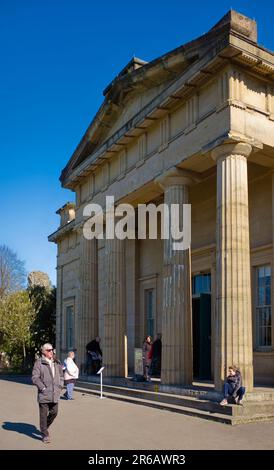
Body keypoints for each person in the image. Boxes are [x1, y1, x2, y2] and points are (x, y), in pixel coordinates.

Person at [32, 343, 64, 443]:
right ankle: (45, 434)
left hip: (55, 393)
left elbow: (61, 376)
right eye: (49, 350)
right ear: (44, 352)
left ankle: (44, 427)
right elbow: (35, 377)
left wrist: (60, 386)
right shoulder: (39, 363)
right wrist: (43, 388)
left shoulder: (57, 362)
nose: (52, 352)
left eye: (52, 350)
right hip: (44, 394)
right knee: (43, 415)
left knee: (54, 412)